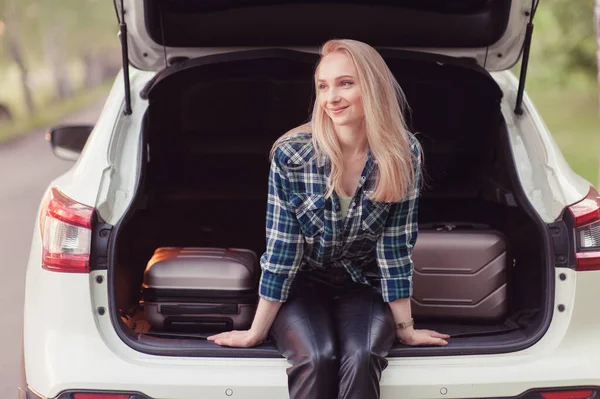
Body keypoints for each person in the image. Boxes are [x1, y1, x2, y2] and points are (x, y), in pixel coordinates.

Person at [208, 39, 449, 399]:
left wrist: (406, 328)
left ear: (373, 87)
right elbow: (282, 251)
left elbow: (395, 248)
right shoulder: (293, 155)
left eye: (345, 83)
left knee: (362, 353)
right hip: (299, 287)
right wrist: (255, 332)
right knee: (318, 357)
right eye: (323, 86)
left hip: (362, 285)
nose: (331, 97)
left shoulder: (403, 153)